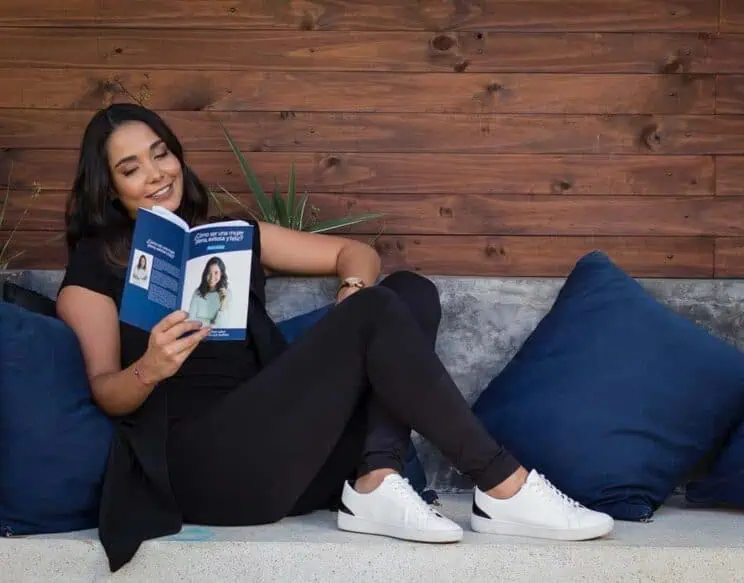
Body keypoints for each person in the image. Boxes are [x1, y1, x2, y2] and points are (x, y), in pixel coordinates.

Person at [56, 104, 614, 573]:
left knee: (408, 290)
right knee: (380, 309)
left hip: (286, 450)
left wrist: (353, 288)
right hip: (206, 471)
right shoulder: (92, 268)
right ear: (111, 191)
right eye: (131, 168)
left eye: (161, 153)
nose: (156, 173)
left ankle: (374, 479)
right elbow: (107, 391)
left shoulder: (230, 237)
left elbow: (357, 253)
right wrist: (151, 365)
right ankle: (503, 485)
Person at [187, 256, 229, 327]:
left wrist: (222, 306)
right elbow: (191, 320)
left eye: (216, 273)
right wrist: (211, 322)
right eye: (209, 273)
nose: (212, 277)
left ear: (221, 273)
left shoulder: (226, 293)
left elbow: (223, 326)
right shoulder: (198, 292)